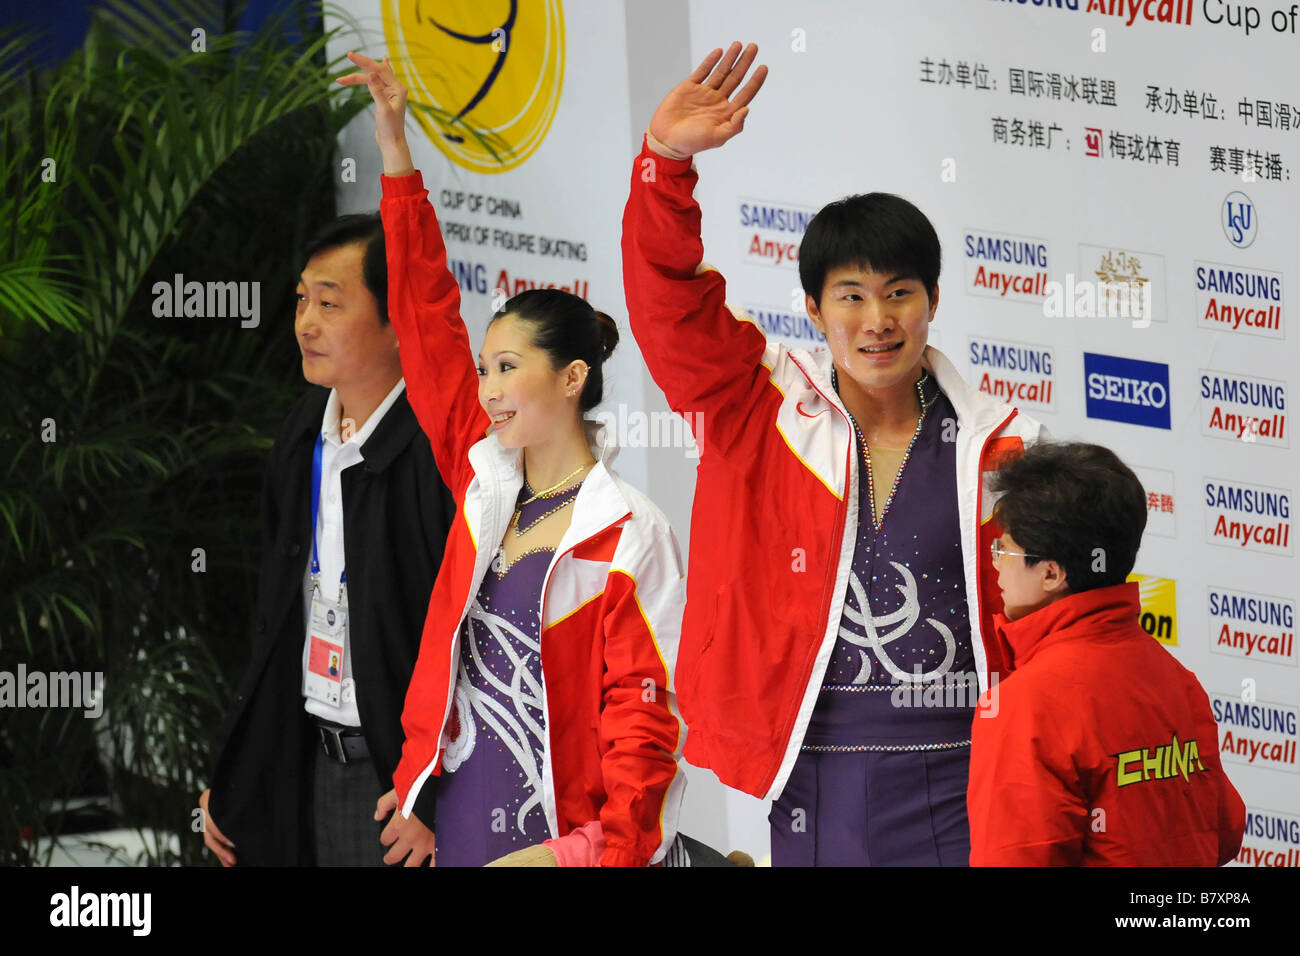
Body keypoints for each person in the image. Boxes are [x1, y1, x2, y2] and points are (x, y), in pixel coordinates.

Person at [623, 42, 1048, 866]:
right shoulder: (755, 406)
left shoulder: (1002, 447)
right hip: (810, 774)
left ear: (933, 302)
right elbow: (669, 302)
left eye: (899, 294)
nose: (877, 321)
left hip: (963, 775)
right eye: (851, 297)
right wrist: (666, 165)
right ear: (815, 311)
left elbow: (1049, 622)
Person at [340, 52, 687, 867]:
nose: (488, 389)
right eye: (485, 368)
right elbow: (425, 318)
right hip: (460, 824)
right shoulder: (485, 479)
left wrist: (581, 854)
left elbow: (649, 728)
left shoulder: (631, 534)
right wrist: (394, 149)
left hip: (565, 847)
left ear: (571, 379)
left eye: (508, 368)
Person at [199, 214, 457, 866]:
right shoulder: (301, 433)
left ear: (398, 323)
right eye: (302, 300)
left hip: (402, 784)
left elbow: (470, 642)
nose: (305, 323)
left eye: (330, 303)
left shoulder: (436, 457)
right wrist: (238, 762)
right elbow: (276, 617)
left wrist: (433, 792)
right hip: (306, 752)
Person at [968, 442, 1245, 865]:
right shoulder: (1174, 676)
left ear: (1051, 573)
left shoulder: (1024, 706)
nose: (996, 565)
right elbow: (1224, 831)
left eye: (1004, 549)